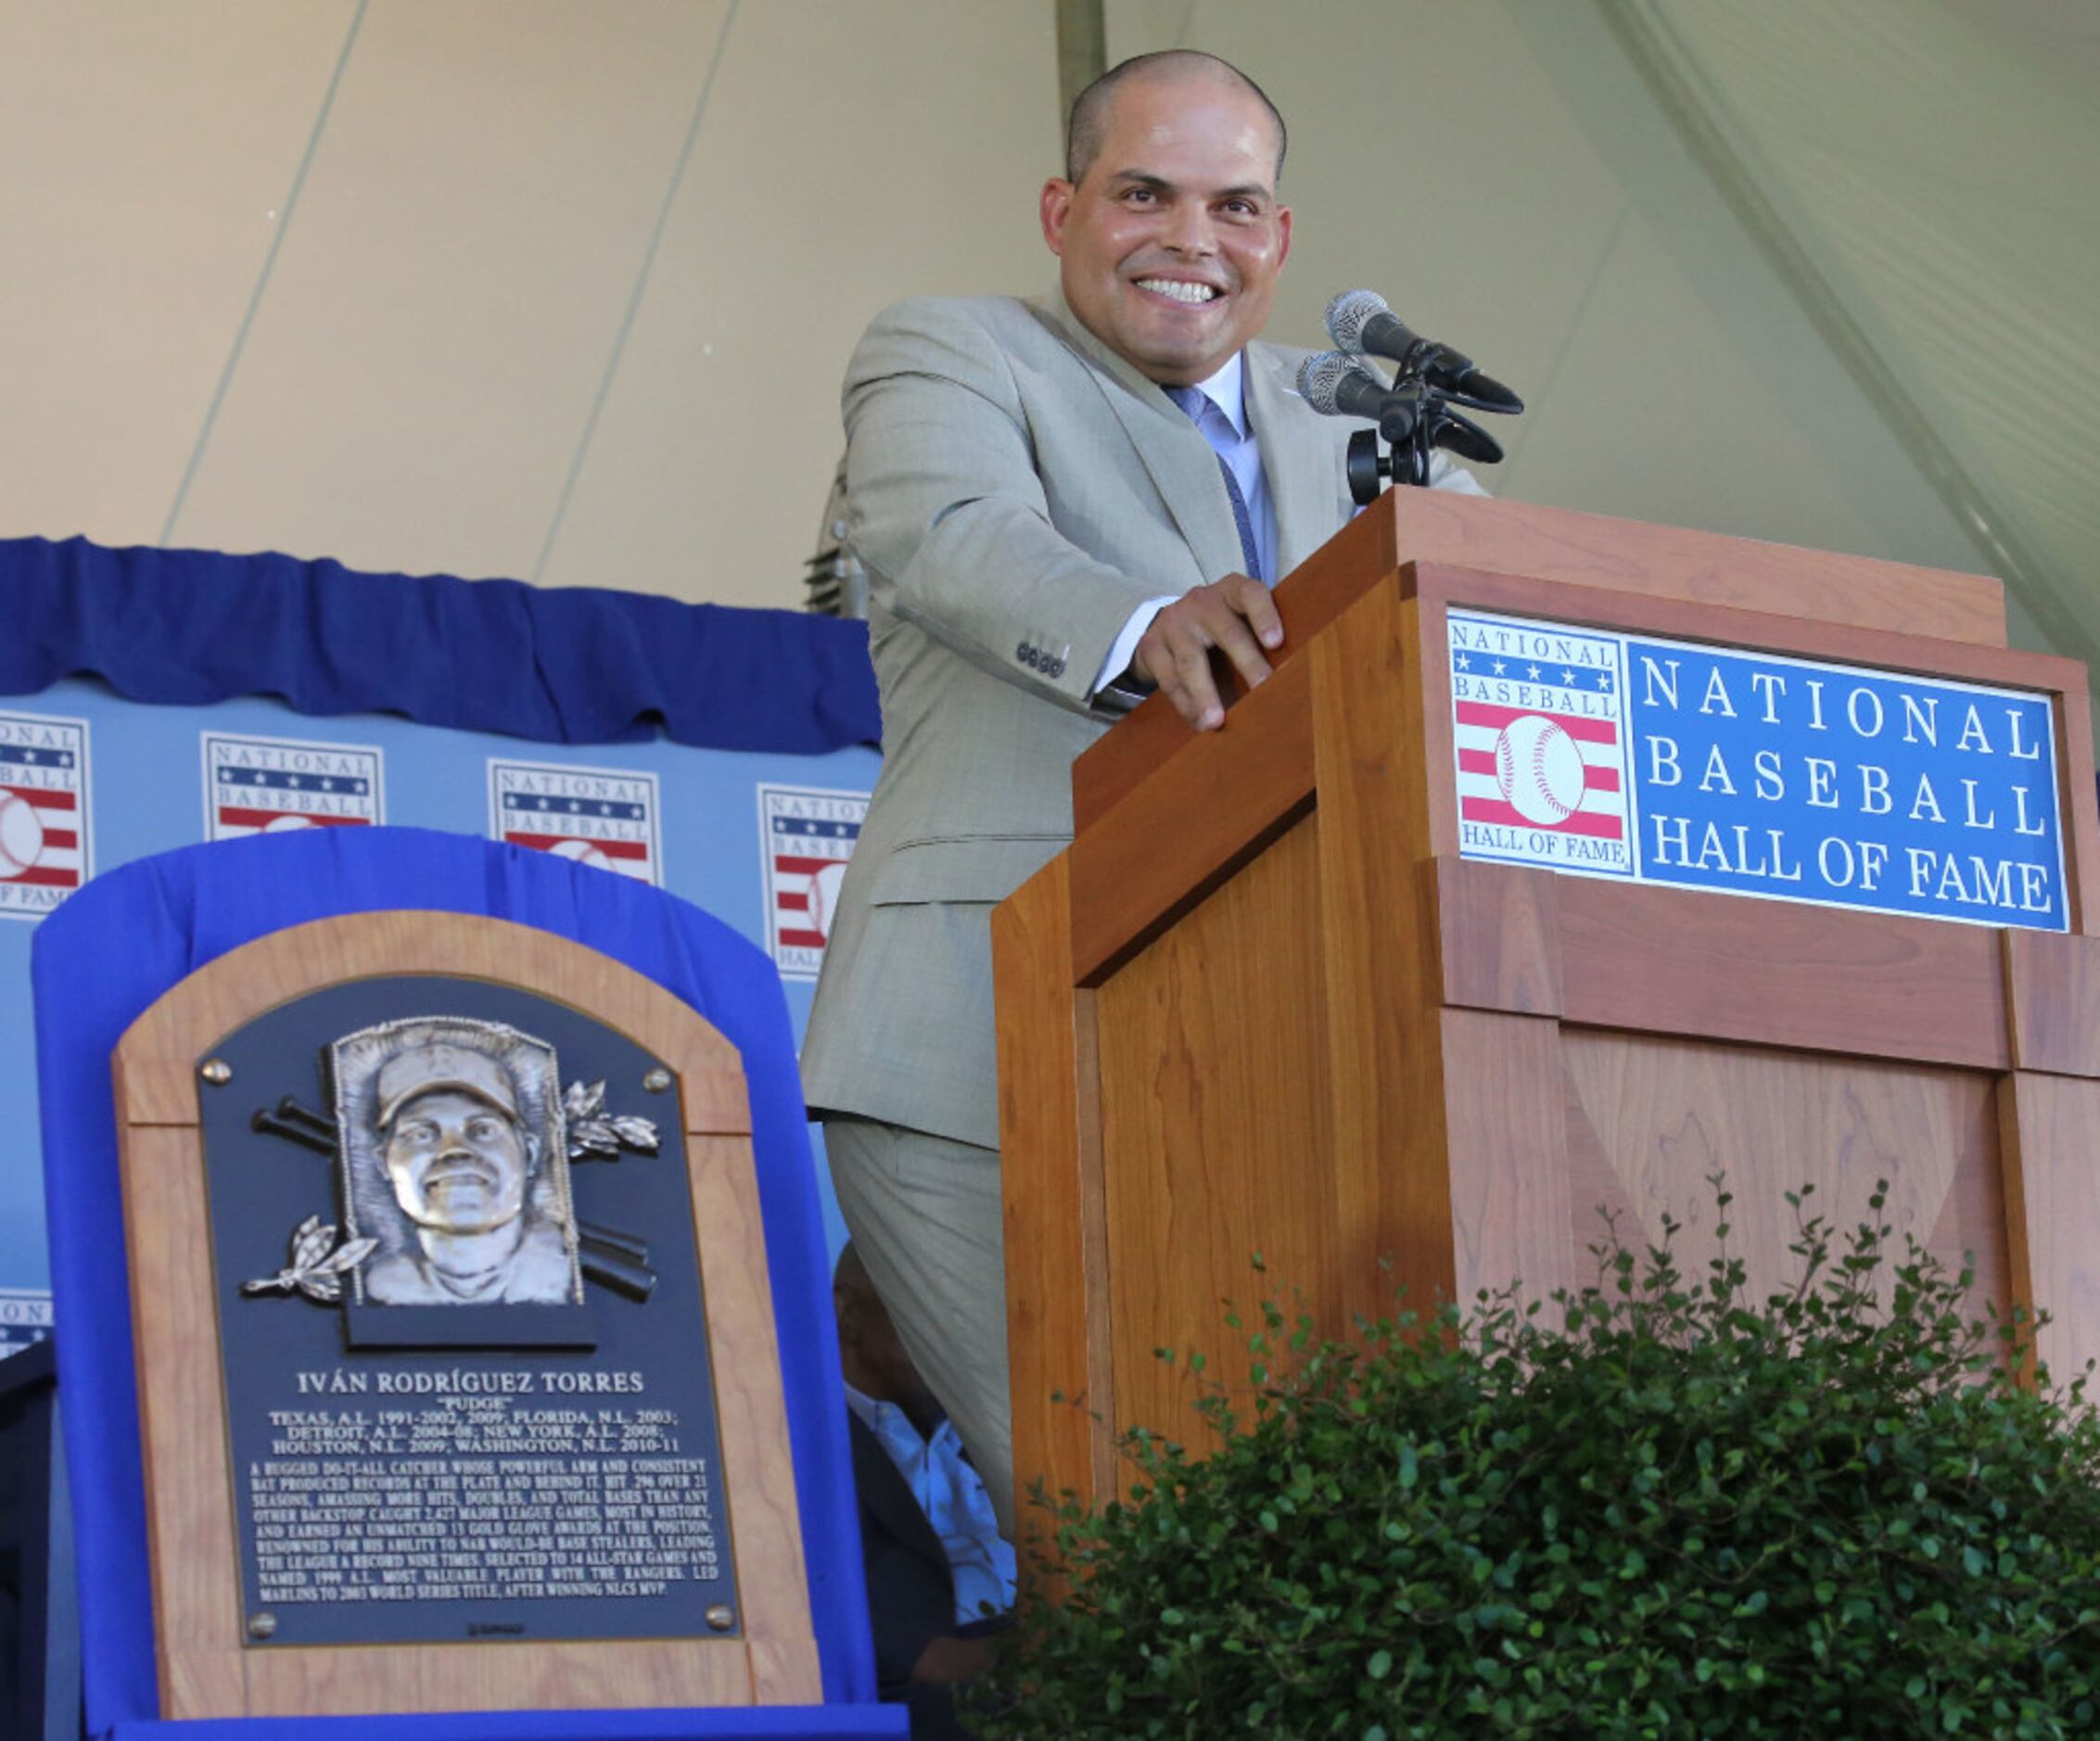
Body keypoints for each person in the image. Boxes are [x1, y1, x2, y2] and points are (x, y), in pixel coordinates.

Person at [800, 50, 1483, 1531]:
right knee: (1125, 1532)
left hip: (1296, 1061)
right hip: (977, 1056)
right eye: (1143, 195)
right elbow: (961, 534)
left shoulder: (1363, 424)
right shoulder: (954, 351)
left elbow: (1492, 631)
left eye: (1234, 204)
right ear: (1062, 209)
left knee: (1303, 1548)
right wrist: (1138, 625)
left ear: (1281, 239)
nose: (1192, 240)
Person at [835, 1243, 1012, 1738]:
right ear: (846, 1312)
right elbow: (925, 1659)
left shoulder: (990, 1426)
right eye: (927, 1305)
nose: (954, 1334)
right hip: (933, 1698)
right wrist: (1060, 1650)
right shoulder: (804, 1442)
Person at [362, 1035, 578, 1305]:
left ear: (530, 1154)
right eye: (421, 1135)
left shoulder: (567, 1276)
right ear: (384, 1164)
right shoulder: (376, 1285)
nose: (454, 1149)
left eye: (482, 1130)